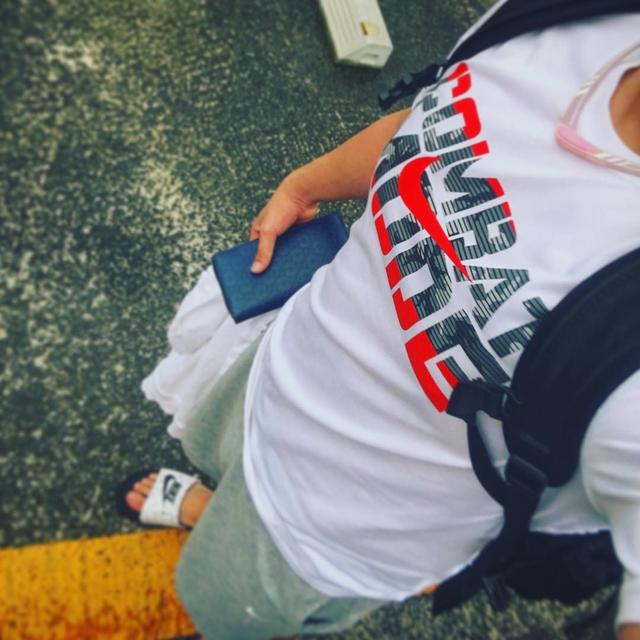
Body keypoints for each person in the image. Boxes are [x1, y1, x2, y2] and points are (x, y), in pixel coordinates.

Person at [120, 8, 640, 640]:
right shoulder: (579, 17)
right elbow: (438, 120)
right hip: (273, 366)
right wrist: (306, 184)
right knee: (223, 467)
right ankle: (217, 509)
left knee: (225, 610)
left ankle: (219, 526)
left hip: (330, 538)